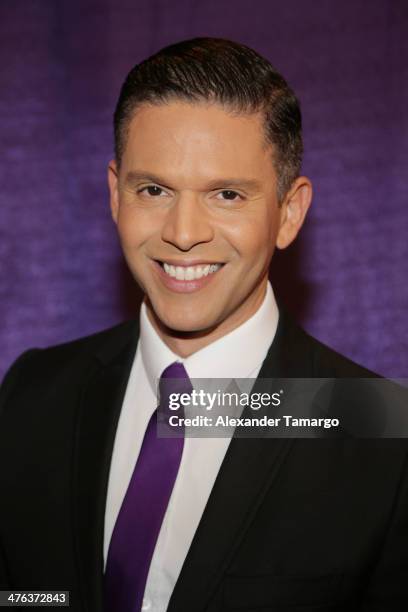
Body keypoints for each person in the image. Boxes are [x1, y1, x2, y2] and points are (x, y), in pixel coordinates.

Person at [0, 37, 407, 612]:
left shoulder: (383, 438)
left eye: (227, 194)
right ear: (115, 194)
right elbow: (25, 595)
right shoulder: (33, 394)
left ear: (289, 213)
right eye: (154, 189)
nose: (184, 232)